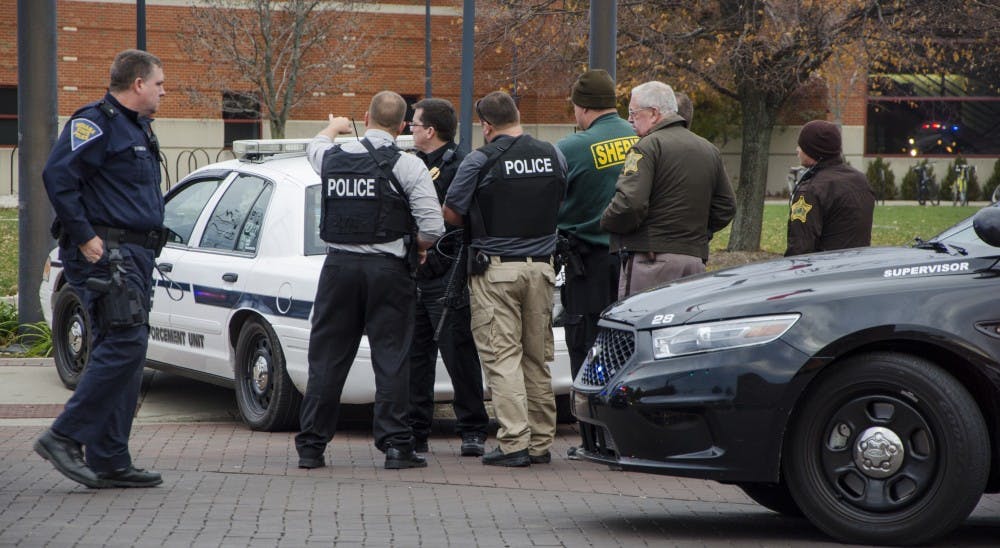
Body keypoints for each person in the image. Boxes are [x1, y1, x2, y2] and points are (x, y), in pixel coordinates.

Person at [36, 49, 167, 489]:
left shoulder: (137, 128)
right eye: (160, 84)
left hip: (135, 254)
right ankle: (64, 436)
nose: (164, 91)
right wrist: (86, 235)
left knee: (129, 348)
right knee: (126, 342)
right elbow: (57, 176)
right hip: (105, 253)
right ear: (138, 84)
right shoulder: (96, 122)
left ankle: (111, 457)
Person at [295, 91, 445, 470]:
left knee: (327, 359)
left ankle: (311, 447)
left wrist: (334, 127)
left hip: (338, 270)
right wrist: (419, 246)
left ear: (366, 116)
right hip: (388, 273)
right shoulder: (408, 166)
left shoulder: (332, 157)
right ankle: (397, 447)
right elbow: (432, 227)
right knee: (392, 358)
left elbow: (315, 145)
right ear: (402, 127)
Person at [443, 91, 567, 467]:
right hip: (543, 269)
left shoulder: (479, 159)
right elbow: (560, 198)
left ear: (486, 125)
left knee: (503, 357)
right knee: (536, 356)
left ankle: (514, 443)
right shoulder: (553, 154)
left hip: (496, 270)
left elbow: (451, 213)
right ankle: (542, 441)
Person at [405, 98, 489, 457]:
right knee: (415, 356)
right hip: (413, 272)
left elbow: (462, 217)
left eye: (414, 125)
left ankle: (472, 429)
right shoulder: (410, 165)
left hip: (447, 273)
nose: (409, 130)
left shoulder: (460, 164)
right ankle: (415, 430)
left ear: (430, 130)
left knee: (458, 353)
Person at [601, 81, 736, 298]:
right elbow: (726, 206)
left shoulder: (646, 147)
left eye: (634, 113)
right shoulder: (708, 149)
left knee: (641, 324)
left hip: (651, 262)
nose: (629, 119)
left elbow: (629, 203)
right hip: (694, 262)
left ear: (654, 113)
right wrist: (696, 235)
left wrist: (606, 222)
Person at [555, 69, 637, 381]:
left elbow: (553, 202)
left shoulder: (572, 147)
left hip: (588, 265)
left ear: (585, 107)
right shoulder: (643, 139)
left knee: (587, 345)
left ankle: (590, 420)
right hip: (637, 260)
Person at [785, 120, 875, 256]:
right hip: (858, 267)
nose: (797, 150)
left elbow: (801, 247)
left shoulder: (810, 190)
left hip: (824, 271)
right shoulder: (860, 180)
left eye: (801, 146)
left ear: (813, 150)